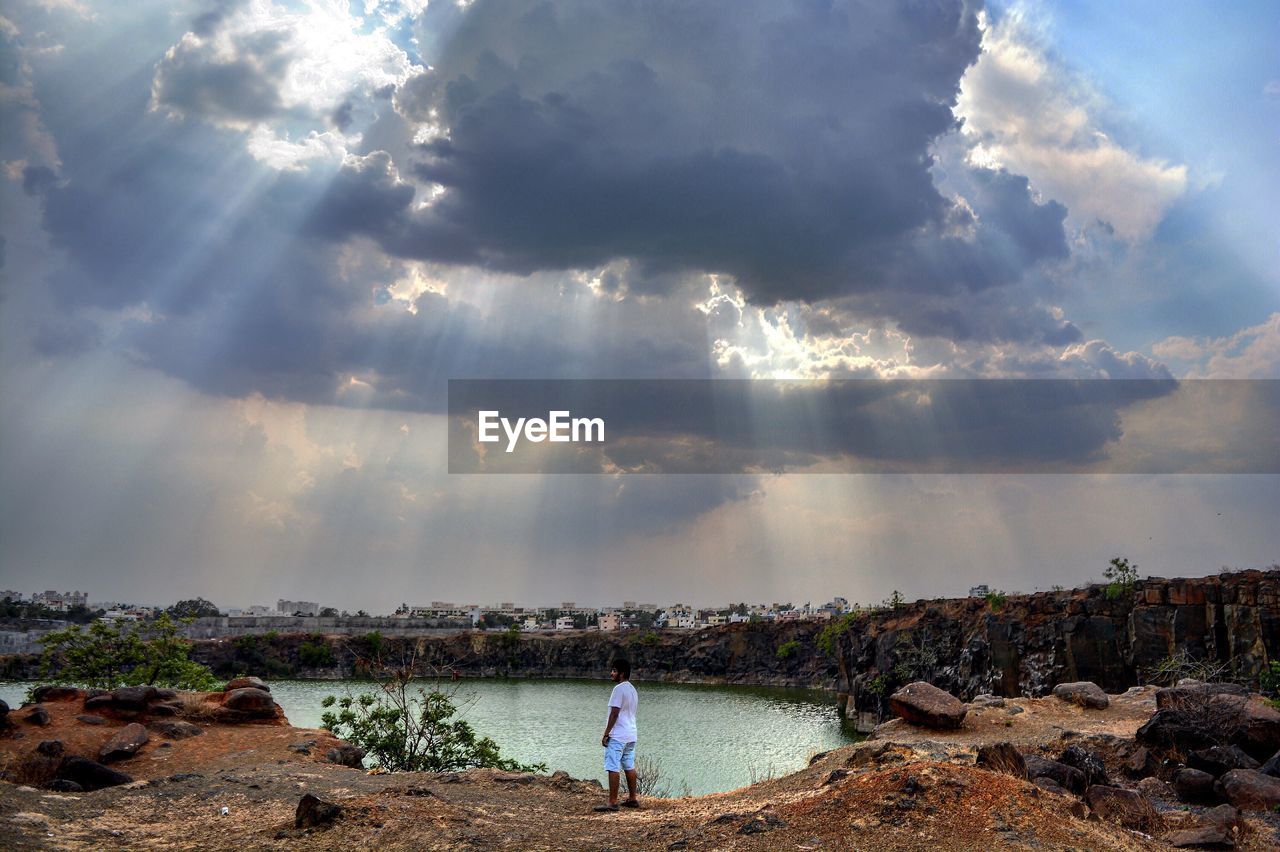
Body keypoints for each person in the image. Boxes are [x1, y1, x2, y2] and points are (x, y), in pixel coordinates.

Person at [594, 656, 639, 812]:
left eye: (614, 671)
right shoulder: (633, 689)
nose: (611, 673)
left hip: (618, 735)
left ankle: (613, 802)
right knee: (629, 765)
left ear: (622, 673)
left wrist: (606, 733)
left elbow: (614, 713)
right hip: (631, 734)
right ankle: (633, 799)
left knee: (613, 766)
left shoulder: (618, 689)